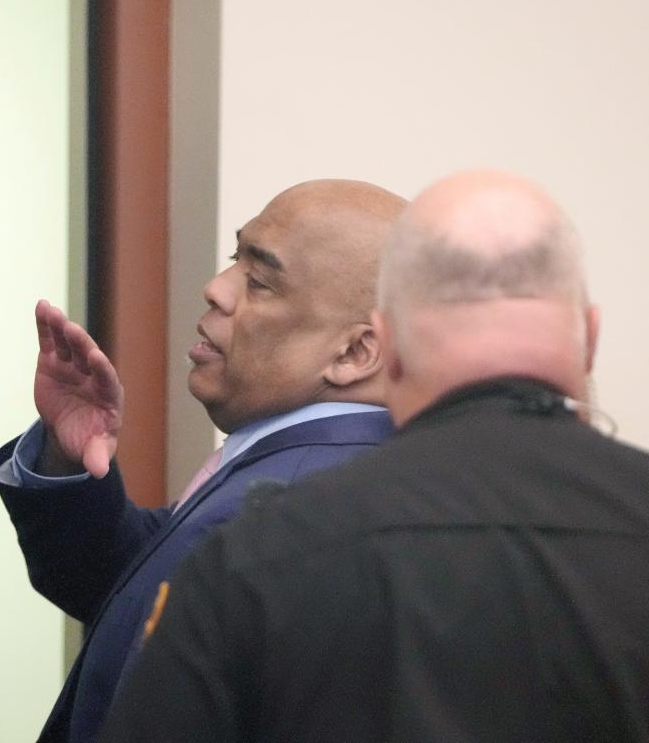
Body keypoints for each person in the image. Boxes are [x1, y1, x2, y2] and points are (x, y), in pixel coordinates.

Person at [100, 169, 649, 743]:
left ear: (383, 347)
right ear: (590, 336)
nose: (219, 288)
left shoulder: (260, 550)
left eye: (257, 277)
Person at [0, 179, 406, 742]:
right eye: (236, 260)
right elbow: (132, 592)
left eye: (258, 280)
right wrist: (67, 459)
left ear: (356, 352)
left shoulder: (279, 509)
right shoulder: (323, 474)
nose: (217, 289)